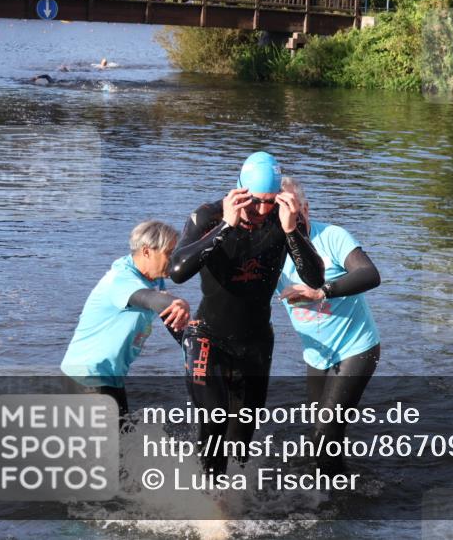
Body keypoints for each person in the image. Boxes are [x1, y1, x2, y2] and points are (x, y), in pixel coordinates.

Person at [169, 152, 325, 475]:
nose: (262, 210)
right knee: (213, 419)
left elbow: (315, 279)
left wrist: (292, 231)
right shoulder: (209, 217)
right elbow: (177, 270)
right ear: (239, 191)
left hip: (255, 344)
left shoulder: (283, 219)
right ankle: (211, 507)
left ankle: (232, 499)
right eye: (255, 201)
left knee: (241, 440)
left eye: (270, 201)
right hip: (207, 338)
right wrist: (226, 226)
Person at [275, 177, 381, 475]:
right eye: (279, 208)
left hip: (357, 347)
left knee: (324, 434)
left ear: (305, 207)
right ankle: (335, 490)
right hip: (316, 357)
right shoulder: (271, 251)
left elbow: (370, 274)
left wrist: (321, 291)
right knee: (322, 433)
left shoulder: (332, 236)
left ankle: (337, 499)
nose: (288, 215)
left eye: (293, 207)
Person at [61, 221, 190, 421]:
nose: (173, 261)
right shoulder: (121, 280)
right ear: (147, 251)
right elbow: (149, 299)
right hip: (88, 375)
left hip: (111, 376)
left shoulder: (153, 278)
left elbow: (170, 317)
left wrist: (194, 347)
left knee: (121, 441)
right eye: (169, 253)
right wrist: (176, 302)